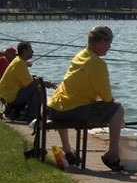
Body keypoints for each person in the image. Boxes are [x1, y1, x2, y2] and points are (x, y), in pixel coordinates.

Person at [47, 26, 126, 171]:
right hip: (72, 112)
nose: (109, 47)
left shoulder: (80, 55)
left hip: (54, 109)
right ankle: (112, 154)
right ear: (101, 42)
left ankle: (68, 151)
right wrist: (118, 119)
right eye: (109, 43)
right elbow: (108, 99)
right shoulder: (98, 64)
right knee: (118, 109)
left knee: (67, 101)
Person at [0, 42, 57, 121]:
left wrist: (43, 83)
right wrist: (46, 84)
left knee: (36, 86)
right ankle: (31, 116)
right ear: (24, 51)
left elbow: (28, 80)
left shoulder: (19, 61)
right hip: (10, 96)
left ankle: (27, 113)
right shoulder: (19, 63)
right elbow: (31, 83)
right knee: (37, 88)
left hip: (8, 94)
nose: (33, 52)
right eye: (30, 49)